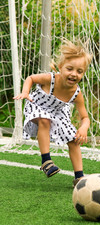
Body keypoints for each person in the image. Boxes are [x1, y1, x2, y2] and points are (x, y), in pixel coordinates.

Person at [13, 38, 93, 186]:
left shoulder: (77, 93)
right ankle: (46, 161)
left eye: (79, 71)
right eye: (70, 69)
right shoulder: (50, 78)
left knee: (74, 140)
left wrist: (83, 127)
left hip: (58, 113)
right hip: (37, 105)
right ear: (60, 67)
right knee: (44, 120)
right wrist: (25, 92)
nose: (74, 74)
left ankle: (79, 177)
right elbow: (30, 78)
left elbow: (85, 117)